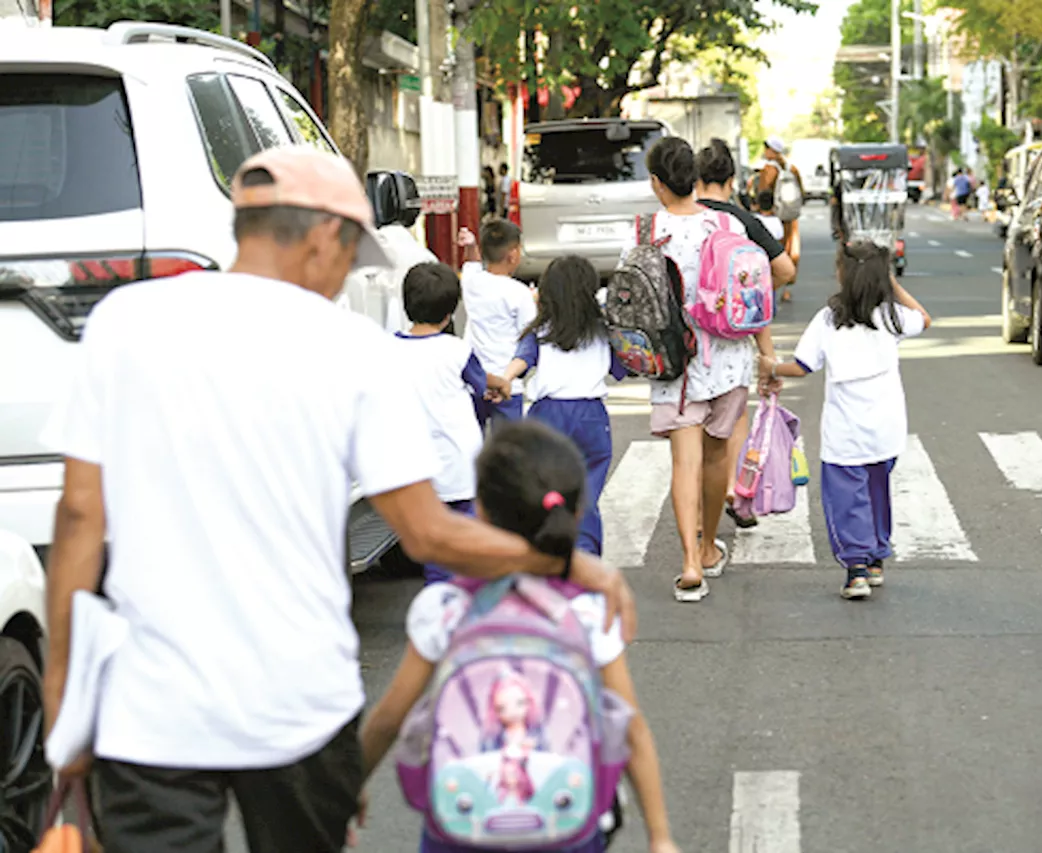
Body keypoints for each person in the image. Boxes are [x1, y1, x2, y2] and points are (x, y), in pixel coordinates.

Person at [39, 146, 635, 853]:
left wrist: (62, 697)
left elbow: (79, 518)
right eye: (351, 254)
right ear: (324, 234)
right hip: (298, 704)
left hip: (151, 709)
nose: (344, 276)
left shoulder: (126, 321)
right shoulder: (354, 349)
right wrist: (565, 562)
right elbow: (427, 533)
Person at [358, 421, 681, 853]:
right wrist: (660, 837)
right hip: (566, 826)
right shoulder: (587, 610)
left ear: (481, 512)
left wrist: (350, 788)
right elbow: (631, 728)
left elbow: (387, 721)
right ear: (574, 511)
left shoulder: (446, 608)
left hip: (461, 829)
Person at [620, 137, 771, 602]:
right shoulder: (726, 224)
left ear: (657, 183)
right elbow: (753, 288)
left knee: (684, 461)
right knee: (715, 457)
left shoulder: (646, 230)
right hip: (728, 358)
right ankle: (708, 548)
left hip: (674, 364)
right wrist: (765, 353)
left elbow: (628, 297)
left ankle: (689, 563)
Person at [762, 240, 930, 600]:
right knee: (877, 490)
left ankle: (856, 568)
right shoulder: (891, 316)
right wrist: (894, 285)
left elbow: (803, 366)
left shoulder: (829, 319)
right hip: (886, 429)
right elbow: (924, 318)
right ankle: (876, 559)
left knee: (846, 498)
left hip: (845, 432)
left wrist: (771, 367)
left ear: (842, 274)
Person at [693, 138, 790, 531]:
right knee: (733, 419)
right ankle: (731, 487)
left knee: (693, 429)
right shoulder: (743, 222)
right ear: (732, 180)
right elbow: (785, 270)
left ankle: (699, 516)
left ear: (696, 178)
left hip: (689, 340)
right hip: (733, 340)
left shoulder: (681, 217)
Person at [395, 261, 511, 586]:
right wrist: (500, 385)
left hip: (416, 467)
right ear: (450, 313)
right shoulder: (458, 350)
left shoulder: (388, 349)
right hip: (461, 465)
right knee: (470, 542)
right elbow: (481, 384)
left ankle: (439, 606)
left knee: (435, 548)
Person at [503, 255, 627, 557]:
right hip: (591, 417)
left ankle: (546, 552)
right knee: (585, 497)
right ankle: (585, 557)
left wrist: (505, 380)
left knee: (545, 491)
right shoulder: (603, 331)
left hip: (547, 416)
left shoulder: (541, 331)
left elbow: (523, 360)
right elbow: (623, 369)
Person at [460, 221, 536, 431]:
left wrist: (471, 246)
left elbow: (471, 263)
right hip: (508, 382)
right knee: (508, 451)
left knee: (474, 445)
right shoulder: (519, 293)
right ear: (513, 254)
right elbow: (529, 335)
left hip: (475, 382)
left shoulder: (471, 282)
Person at [757, 136, 804, 280]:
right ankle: (788, 286)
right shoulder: (792, 168)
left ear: (773, 150)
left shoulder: (769, 169)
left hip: (774, 215)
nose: (765, 152)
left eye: (767, 148)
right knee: (791, 248)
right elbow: (801, 191)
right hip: (790, 214)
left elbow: (763, 192)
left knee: (774, 251)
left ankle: (774, 283)